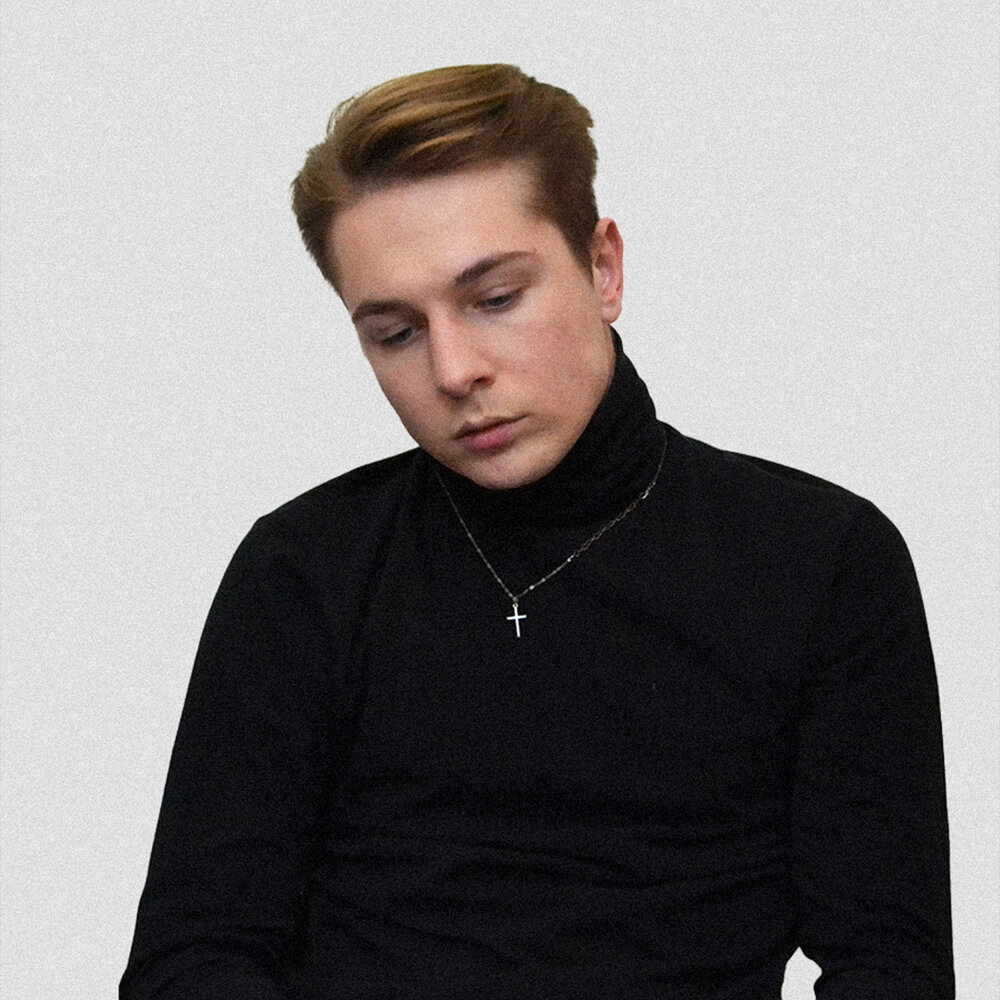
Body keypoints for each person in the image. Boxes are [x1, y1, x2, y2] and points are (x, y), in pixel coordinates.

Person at [121, 64, 954, 998]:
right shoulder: (304, 568)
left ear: (603, 268)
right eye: (395, 332)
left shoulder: (818, 559)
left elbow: (890, 964)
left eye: (495, 298)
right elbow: (192, 957)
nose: (453, 370)